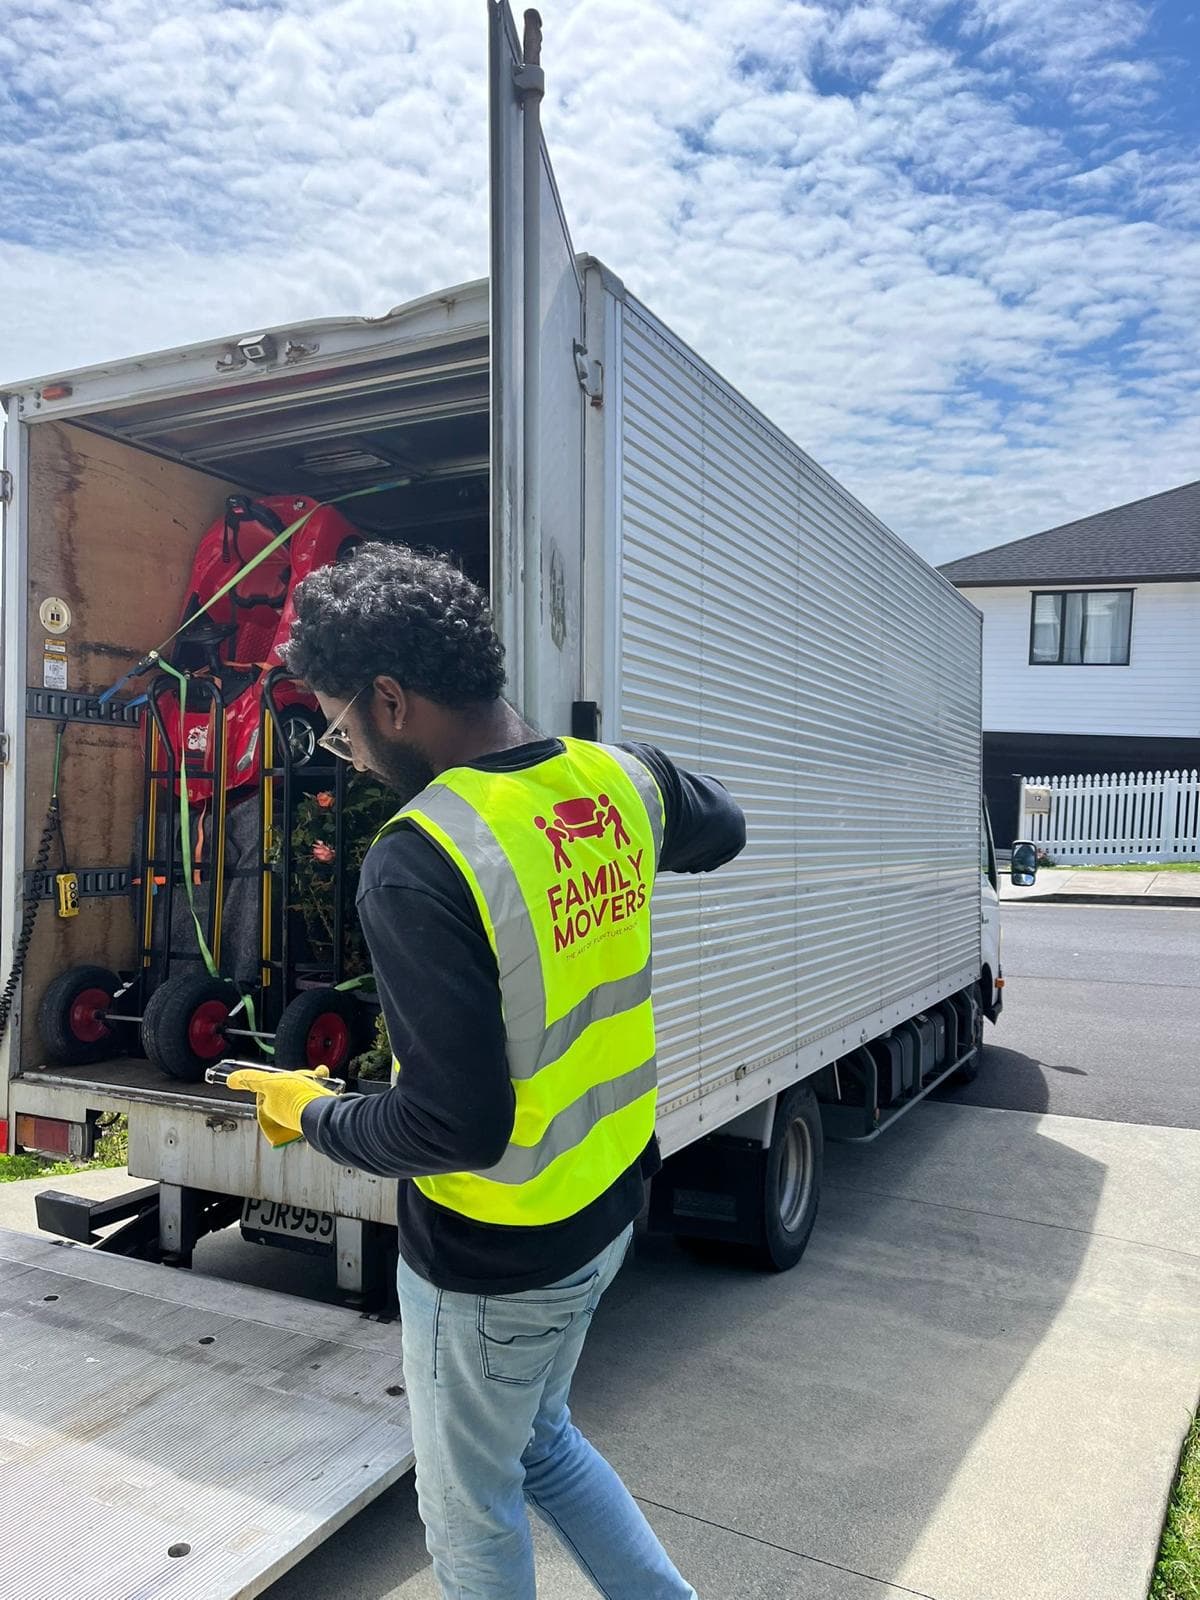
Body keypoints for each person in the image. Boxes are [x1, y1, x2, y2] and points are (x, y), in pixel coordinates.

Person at [228, 542, 745, 1599]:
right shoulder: (616, 778)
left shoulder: (421, 855)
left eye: (341, 725)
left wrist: (313, 1116)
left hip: (494, 1254)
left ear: (390, 697)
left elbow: (454, 1124)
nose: (351, 753)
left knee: (468, 1520)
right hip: (608, 1202)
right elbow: (724, 829)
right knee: (541, 1437)